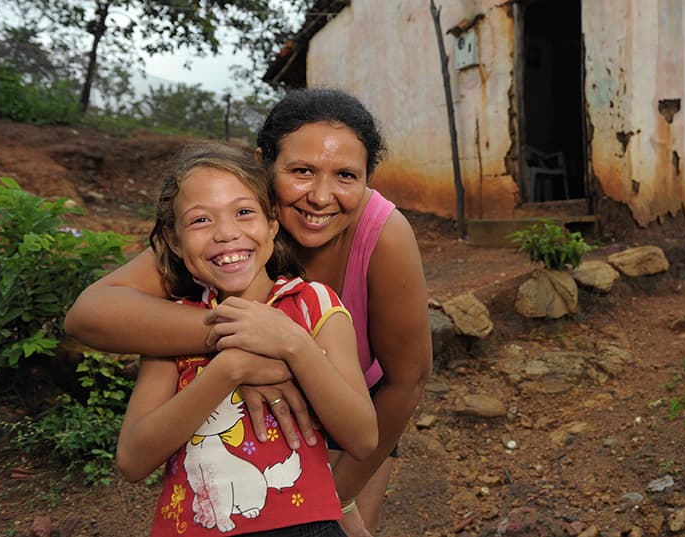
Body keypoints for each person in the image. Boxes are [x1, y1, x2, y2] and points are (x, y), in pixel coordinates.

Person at [65, 89, 433, 536]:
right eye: (301, 171)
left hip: (353, 412)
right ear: (264, 165)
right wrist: (244, 347)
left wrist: (338, 497)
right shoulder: (227, 230)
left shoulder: (382, 235)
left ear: (367, 179)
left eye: (345, 176)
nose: (321, 196)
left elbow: (407, 381)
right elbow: (88, 315)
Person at [118, 142, 377, 536]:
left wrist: (296, 346)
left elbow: (363, 438)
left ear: (272, 223)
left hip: (305, 528)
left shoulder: (313, 305)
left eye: (243, 212)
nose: (226, 233)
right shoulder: (172, 325)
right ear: (173, 240)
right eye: (200, 220)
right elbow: (132, 460)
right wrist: (229, 369)